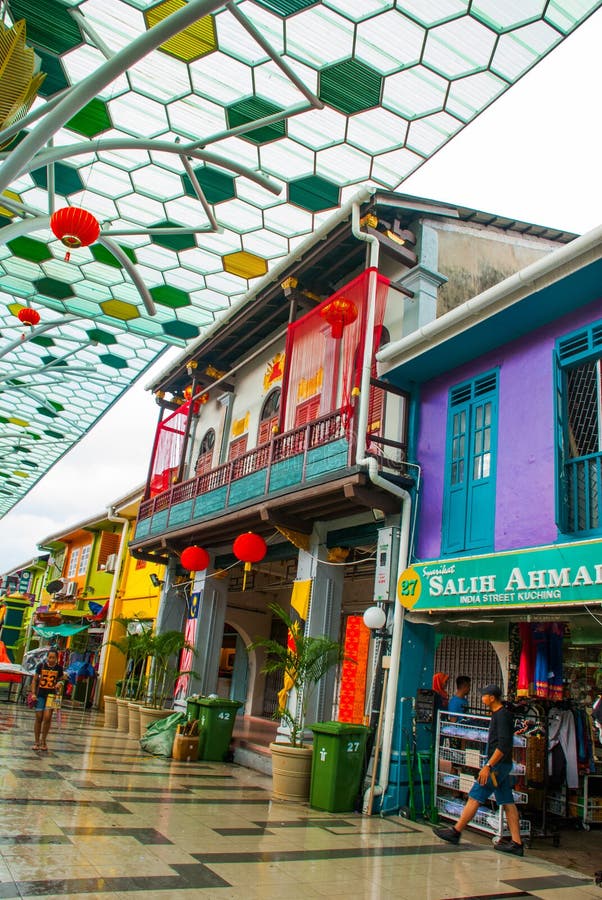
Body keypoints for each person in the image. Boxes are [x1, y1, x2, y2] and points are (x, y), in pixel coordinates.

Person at [433, 684, 524, 856]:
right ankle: (516, 843)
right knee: (507, 802)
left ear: (492, 697)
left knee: (475, 795)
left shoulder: (502, 716)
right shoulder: (499, 715)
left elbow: (504, 745)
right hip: (501, 768)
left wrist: (488, 766)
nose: (482, 698)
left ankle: (456, 831)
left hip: (496, 768)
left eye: (484, 695)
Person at [30, 649, 66, 751]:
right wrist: (33, 693)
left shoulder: (59, 668)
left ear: (56, 658)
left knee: (47, 717)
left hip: (52, 696)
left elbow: (62, 679)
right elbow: (35, 680)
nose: (51, 659)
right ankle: (36, 741)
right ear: (47, 657)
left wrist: (60, 683)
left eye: (53, 658)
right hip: (40, 695)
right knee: (39, 717)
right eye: (49, 657)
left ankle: (43, 741)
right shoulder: (41, 666)